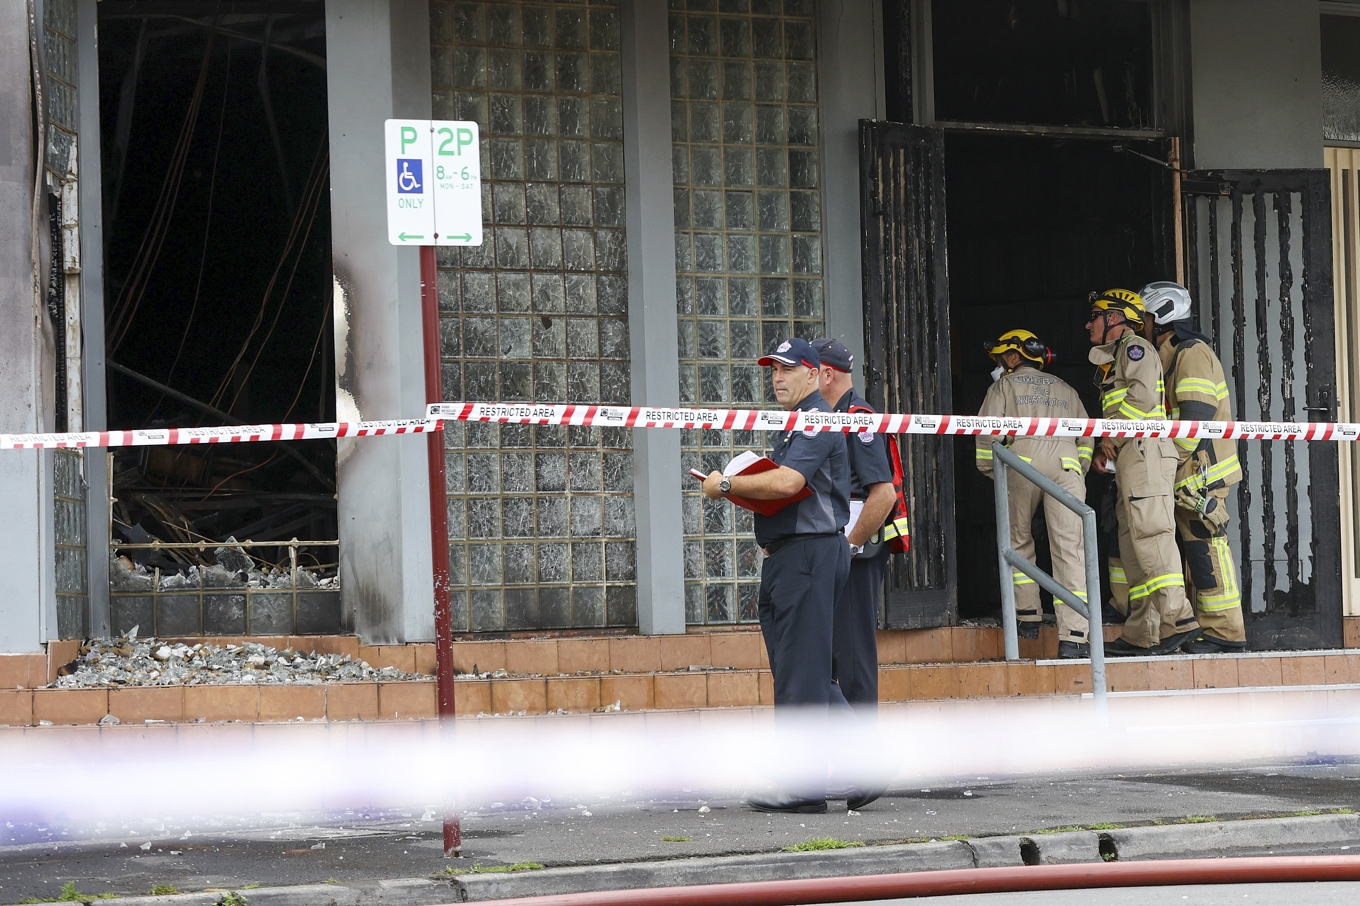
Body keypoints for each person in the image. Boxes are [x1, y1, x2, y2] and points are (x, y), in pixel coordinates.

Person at [702, 338, 850, 814]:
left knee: (802, 676)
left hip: (809, 555)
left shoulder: (816, 420)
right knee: (797, 670)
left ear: (815, 374)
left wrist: (726, 484)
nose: (777, 377)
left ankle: (803, 789)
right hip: (790, 558)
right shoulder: (792, 425)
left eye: (788, 368)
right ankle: (866, 761)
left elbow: (788, 483)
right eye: (772, 370)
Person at [810, 338, 898, 811]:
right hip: (832, 551)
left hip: (853, 554)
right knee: (825, 661)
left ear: (825, 374)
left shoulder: (857, 418)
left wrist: (847, 547)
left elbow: (881, 495)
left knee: (853, 660)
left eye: (806, 370)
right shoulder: (825, 417)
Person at [1087, 289, 1200, 656]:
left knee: (1152, 534)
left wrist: (1110, 438)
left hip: (1143, 452)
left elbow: (1141, 403)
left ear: (1115, 319)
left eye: (1096, 315)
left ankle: (1177, 618)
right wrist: (1109, 446)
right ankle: (1144, 632)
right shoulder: (1119, 355)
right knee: (1133, 543)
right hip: (1132, 456)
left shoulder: (1136, 349)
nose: (1089, 323)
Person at [975, 330, 1095, 658]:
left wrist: (996, 472)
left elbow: (988, 437)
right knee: (1070, 548)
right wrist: (1076, 469)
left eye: (1000, 360)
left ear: (1013, 357)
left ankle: (1027, 617)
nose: (999, 367)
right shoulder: (1067, 390)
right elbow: (1087, 438)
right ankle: (1074, 636)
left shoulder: (1004, 386)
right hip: (1066, 466)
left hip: (1021, 464)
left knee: (1018, 540)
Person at [1141, 281, 1247, 653]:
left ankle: (1226, 633)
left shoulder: (1192, 353)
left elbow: (1197, 418)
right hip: (1190, 475)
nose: (1143, 326)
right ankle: (1210, 629)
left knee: (1207, 553)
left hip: (1201, 476)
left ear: (1163, 316)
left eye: (1147, 318)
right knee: (1196, 556)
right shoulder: (1173, 355)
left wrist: (1169, 460)